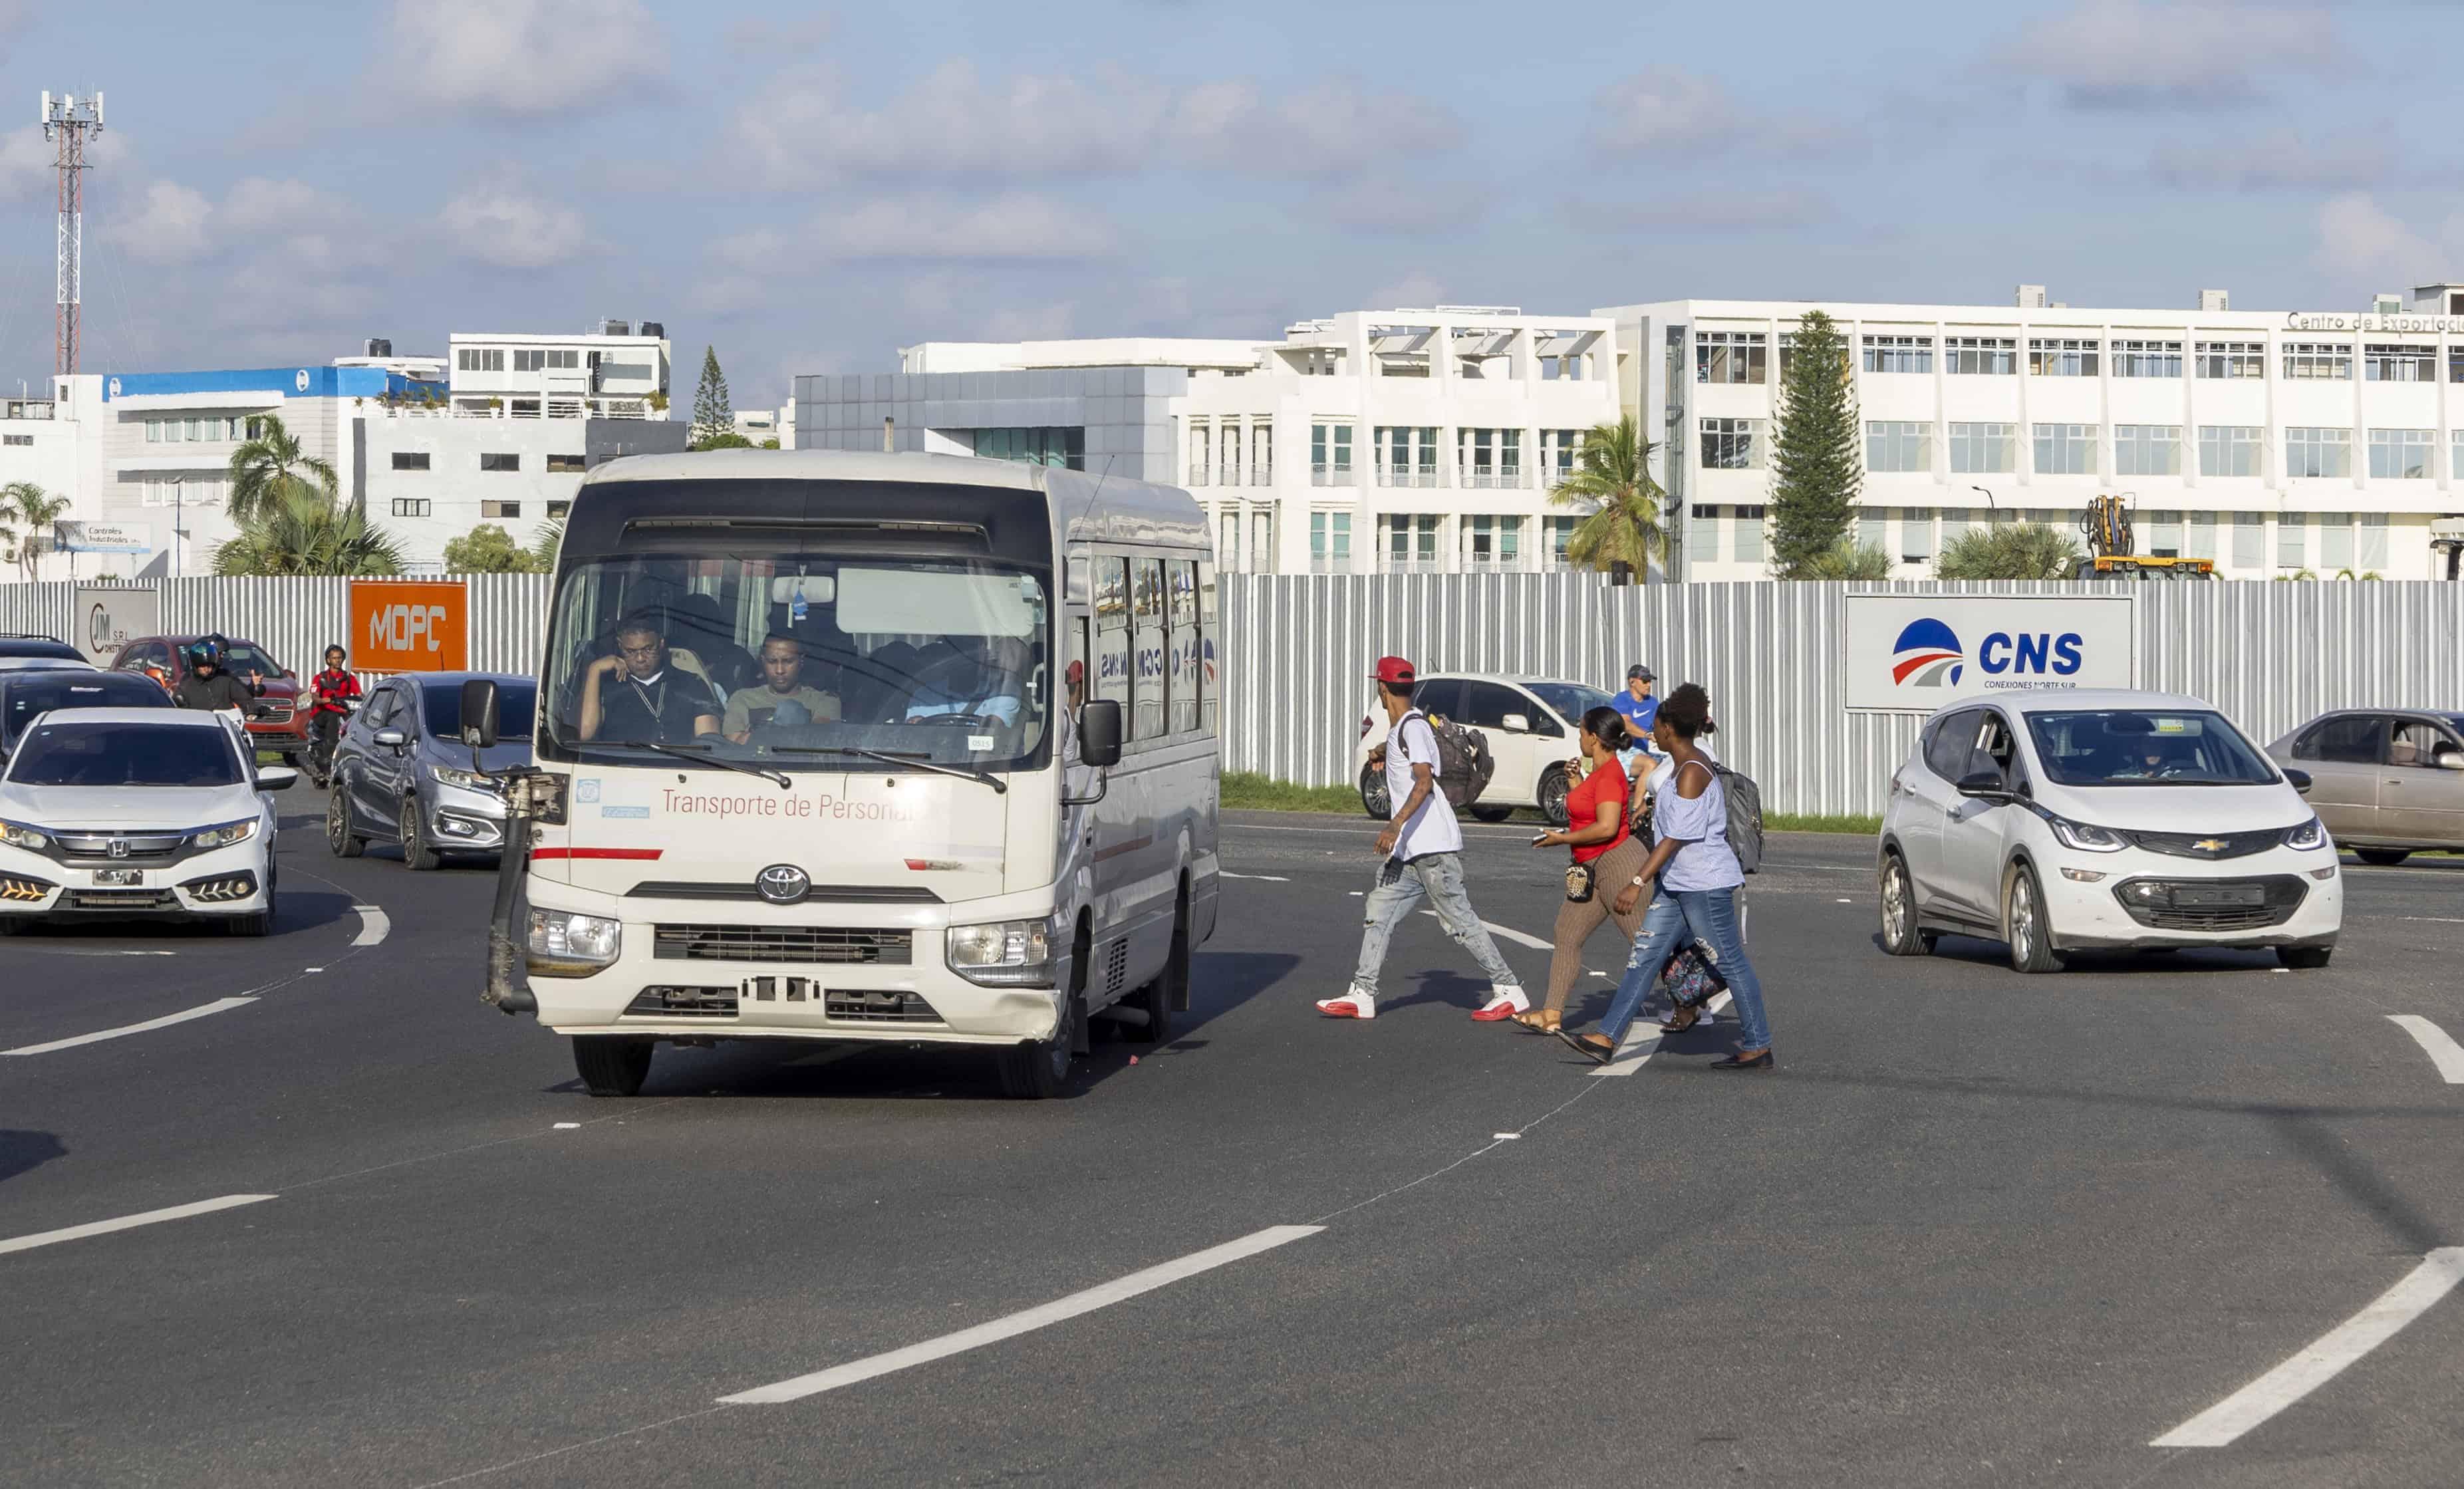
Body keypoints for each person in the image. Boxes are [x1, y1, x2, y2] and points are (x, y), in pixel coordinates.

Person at [1556, 683, 1772, 1071]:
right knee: (1643, 958)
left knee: (1730, 963)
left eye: (1655, 725)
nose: (1651, 731)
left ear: (1670, 728)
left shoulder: (1693, 771)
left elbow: (1675, 838)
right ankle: (1606, 1038)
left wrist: (1637, 881)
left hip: (1705, 884)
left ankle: (1758, 1045)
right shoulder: (1678, 768)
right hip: (1676, 884)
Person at [1318, 656, 1527, 1021]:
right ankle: (1363, 993)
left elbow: (1425, 780)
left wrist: (1394, 824)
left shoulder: (1413, 727)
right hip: (1411, 852)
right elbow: (1404, 750)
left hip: (1432, 849)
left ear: (1382, 689)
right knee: (1379, 911)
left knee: (1459, 920)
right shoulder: (1406, 727)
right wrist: (1380, 752)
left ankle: (1508, 988)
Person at [1498, 706, 1654, 1034]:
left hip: (1618, 865)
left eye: (1582, 732)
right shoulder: (1597, 773)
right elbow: (1587, 812)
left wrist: (1562, 839)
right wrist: (1575, 782)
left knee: (1645, 944)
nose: (1579, 738)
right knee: (1567, 934)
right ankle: (1551, 1015)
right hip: (1591, 868)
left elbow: (1607, 827)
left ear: (1594, 738)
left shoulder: (1610, 775)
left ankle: (1695, 997)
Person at [578, 613, 722, 743]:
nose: (640, 659)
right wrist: (594, 669)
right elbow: (585, 734)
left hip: (677, 763)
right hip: (617, 763)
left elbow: (710, 744)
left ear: (661, 644)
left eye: (648, 649)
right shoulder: (608, 685)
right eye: (631, 651)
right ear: (620, 646)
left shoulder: (691, 684)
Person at [724, 633, 841, 742]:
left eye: (788, 661)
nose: (779, 670)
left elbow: (819, 741)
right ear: (763, 661)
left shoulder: (823, 700)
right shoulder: (743, 698)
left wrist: (758, 733)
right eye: (772, 661)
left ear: (801, 661)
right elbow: (734, 745)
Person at [904, 635, 1027, 726]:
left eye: (969, 648)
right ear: (946, 654)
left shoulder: (1004, 692)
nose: (962, 656)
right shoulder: (924, 695)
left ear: (983, 653)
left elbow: (994, 731)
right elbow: (915, 736)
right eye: (954, 648)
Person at [307, 644, 361, 775]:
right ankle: (329, 756)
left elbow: (359, 694)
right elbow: (315, 696)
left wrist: (368, 700)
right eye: (334, 658)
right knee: (332, 716)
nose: (338, 660)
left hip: (343, 711)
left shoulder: (349, 678)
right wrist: (323, 700)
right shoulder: (321, 678)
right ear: (328, 660)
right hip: (323, 713)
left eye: (340, 658)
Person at [171, 638, 265, 714]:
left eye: (209, 665)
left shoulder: (225, 678)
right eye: (202, 666)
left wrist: (254, 710)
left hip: (226, 725)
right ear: (195, 666)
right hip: (199, 727)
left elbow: (243, 697)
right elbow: (180, 711)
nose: (206, 669)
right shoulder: (186, 684)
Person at [1612, 664, 1659, 781]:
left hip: (1644, 753)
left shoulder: (1653, 702)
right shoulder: (1621, 699)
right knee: (1650, 764)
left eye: (1650, 681)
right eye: (1645, 681)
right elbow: (1626, 725)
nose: (1649, 685)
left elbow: (1660, 726)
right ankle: (1638, 795)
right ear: (1632, 682)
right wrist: (1648, 735)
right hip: (1623, 751)